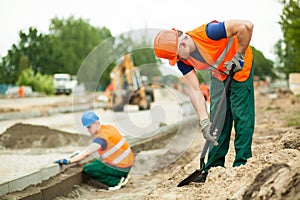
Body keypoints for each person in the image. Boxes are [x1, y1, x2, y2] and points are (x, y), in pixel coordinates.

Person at [153, 20, 255, 182]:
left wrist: (239, 56)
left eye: (176, 55)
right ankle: (213, 167)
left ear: (183, 44)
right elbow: (194, 90)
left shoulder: (210, 32)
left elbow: (246, 26)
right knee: (217, 121)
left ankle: (242, 164)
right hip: (219, 75)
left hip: (240, 68)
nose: (177, 60)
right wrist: (204, 121)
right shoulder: (183, 61)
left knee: (241, 117)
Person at [55, 110, 135, 190]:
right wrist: (79, 154)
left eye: (89, 127)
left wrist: (69, 161)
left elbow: (86, 153)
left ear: (96, 123)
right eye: (87, 127)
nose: (88, 129)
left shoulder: (100, 138)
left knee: (88, 168)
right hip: (128, 163)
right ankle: (122, 175)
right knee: (98, 162)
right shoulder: (109, 128)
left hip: (121, 167)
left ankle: (117, 181)